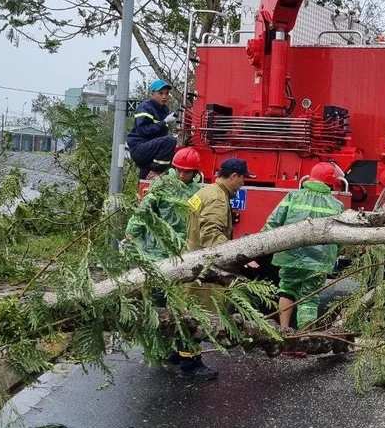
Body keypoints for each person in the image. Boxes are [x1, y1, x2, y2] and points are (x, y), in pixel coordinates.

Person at [180, 157, 256, 379]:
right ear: (233, 176)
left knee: (185, 310)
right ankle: (190, 364)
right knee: (197, 315)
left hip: (191, 260)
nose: (243, 184)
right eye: (243, 179)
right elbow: (212, 234)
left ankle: (179, 354)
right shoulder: (217, 199)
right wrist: (236, 258)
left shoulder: (207, 192)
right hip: (202, 268)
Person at [263, 162, 345, 331]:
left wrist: (260, 248)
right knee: (310, 296)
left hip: (290, 255)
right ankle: (304, 337)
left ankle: (284, 332)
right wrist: (337, 251)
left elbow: (273, 223)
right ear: (330, 182)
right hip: (319, 260)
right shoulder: (337, 205)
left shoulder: (293, 197)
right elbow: (340, 238)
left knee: (286, 289)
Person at [125, 147, 202, 260]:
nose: (182, 175)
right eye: (179, 170)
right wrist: (132, 231)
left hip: (181, 244)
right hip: (157, 242)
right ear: (174, 168)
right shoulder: (162, 184)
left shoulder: (197, 191)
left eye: (187, 172)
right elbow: (144, 209)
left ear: (195, 172)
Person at [127, 79, 178, 180]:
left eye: (167, 93)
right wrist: (164, 122)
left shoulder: (164, 109)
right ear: (152, 94)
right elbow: (144, 130)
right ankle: (155, 171)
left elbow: (160, 135)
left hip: (151, 150)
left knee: (144, 183)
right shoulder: (145, 107)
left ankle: (143, 188)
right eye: (160, 93)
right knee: (170, 141)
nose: (164, 96)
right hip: (139, 147)